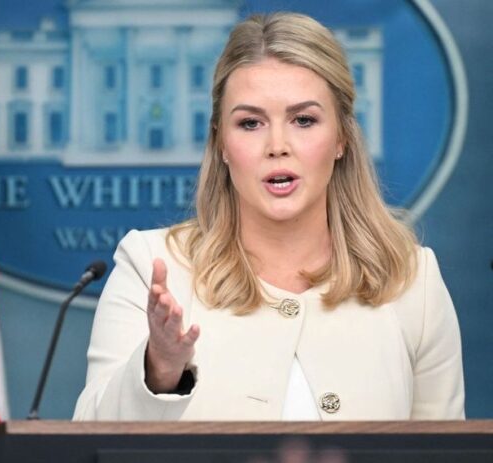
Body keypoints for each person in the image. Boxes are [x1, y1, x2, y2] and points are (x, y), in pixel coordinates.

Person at [73, 12, 465, 421]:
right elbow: (89, 436)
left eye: (303, 120)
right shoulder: (151, 267)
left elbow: (443, 448)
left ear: (342, 138)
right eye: (250, 123)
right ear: (221, 144)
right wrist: (159, 369)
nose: (277, 145)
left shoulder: (412, 282)